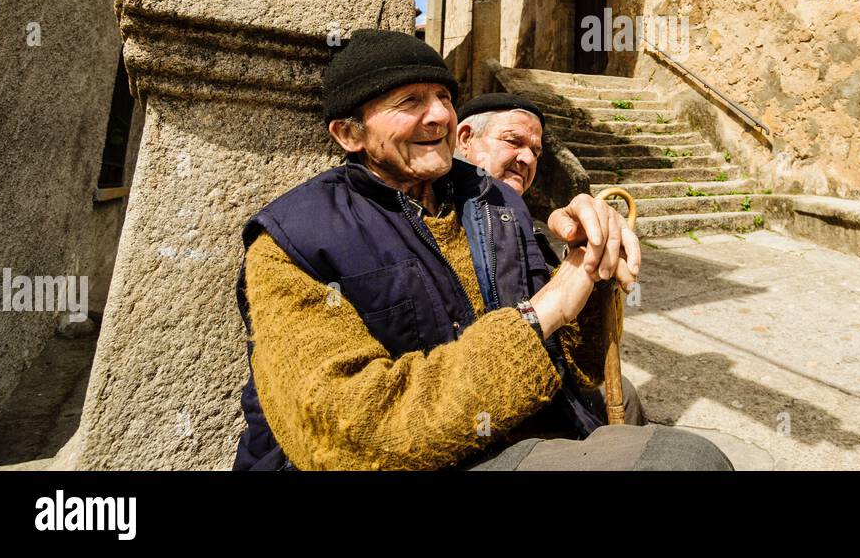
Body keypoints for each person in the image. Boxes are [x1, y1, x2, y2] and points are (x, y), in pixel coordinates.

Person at [232, 29, 731, 471]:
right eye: (410, 102)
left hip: (516, 434)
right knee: (687, 462)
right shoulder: (293, 241)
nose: (440, 116)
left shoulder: (493, 201)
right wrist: (539, 315)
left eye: (444, 96)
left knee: (674, 447)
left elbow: (575, 363)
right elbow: (351, 435)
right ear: (348, 133)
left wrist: (586, 269)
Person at [454, 91, 647, 427]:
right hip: (488, 413)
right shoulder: (444, 218)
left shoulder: (525, 225)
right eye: (513, 141)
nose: (527, 159)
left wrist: (588, 266)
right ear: (466, 139)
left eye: (536, 151)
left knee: (625, 395)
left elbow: (582, 359)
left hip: (549, 386)